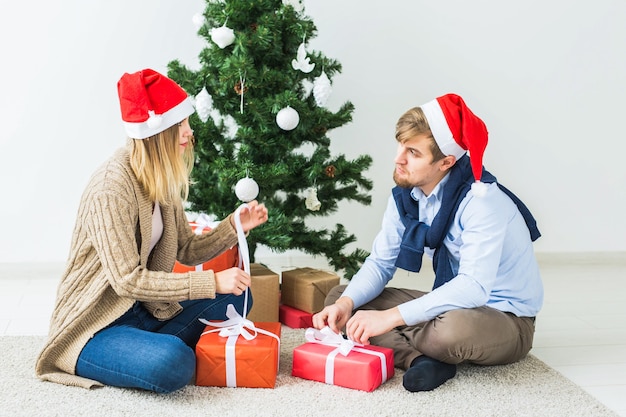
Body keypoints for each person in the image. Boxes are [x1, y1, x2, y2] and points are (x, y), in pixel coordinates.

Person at [35, 68, 268, 393]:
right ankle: (133, 353)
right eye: (180, 125)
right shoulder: (111, 188)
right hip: (95, 325)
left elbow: (186, 249)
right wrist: (210, 281)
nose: (189, 133)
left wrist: (233, 227)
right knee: (174, 363)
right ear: (157, 133)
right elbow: (127, 279)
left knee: (239, 296)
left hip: (144, 309)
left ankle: (138, 350)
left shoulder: (161, 177)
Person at [312, 93, 543, 392]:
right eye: (400, 145)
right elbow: (381, 263)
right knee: (340, 300)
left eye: (413, 152)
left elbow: (474, 288)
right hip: (451, 304)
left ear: (446, 161)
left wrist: (390, 318)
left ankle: (419, 344)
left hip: (505, 317)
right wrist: (347, 304)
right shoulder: (407, 197)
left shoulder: (482, 202)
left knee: (447, 333)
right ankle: (423, 360)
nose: (399, 158)